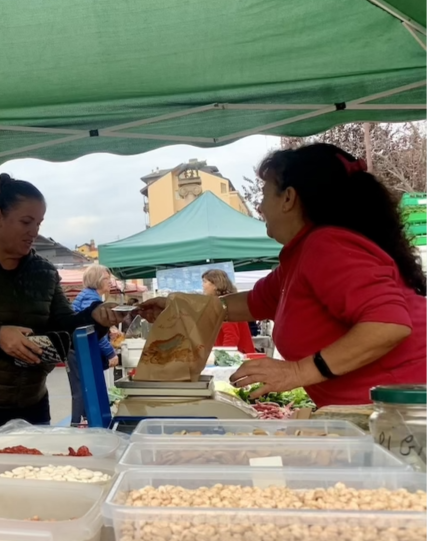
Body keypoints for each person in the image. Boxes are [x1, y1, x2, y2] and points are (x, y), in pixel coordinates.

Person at [140, 144, 426, 406]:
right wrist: (181, 307)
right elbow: (252, 302)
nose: (261, 208)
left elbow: (388, 324)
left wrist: (296, 372)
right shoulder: (301, 255)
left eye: (264, 195)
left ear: (288, 198)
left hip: (403, 414)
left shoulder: (325, 246)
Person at [0, 174, 121, 433]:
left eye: (38, 223)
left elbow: (65, 326)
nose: (34, 232)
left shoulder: (44, 271)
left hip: (30, 404)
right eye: (26, 222)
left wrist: (95, 316)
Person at [66, 264, 119, 423]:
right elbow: (92, 331)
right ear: (96, 280)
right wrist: (110, 353)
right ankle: (79, 423)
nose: (110, 282)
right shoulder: (92, 298)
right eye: (106, 279)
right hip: (78, 350)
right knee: (84, 388)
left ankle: (83, 420)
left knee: (81, 388)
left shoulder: (87, 295)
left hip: (73, 349)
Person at [201, 269, 255, 354]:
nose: (202, 285)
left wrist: (223, 357)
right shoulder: (223, 303)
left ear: (215, 285)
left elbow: (231, 336)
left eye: (205, 282)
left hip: (238, 358)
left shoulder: (224, 304)